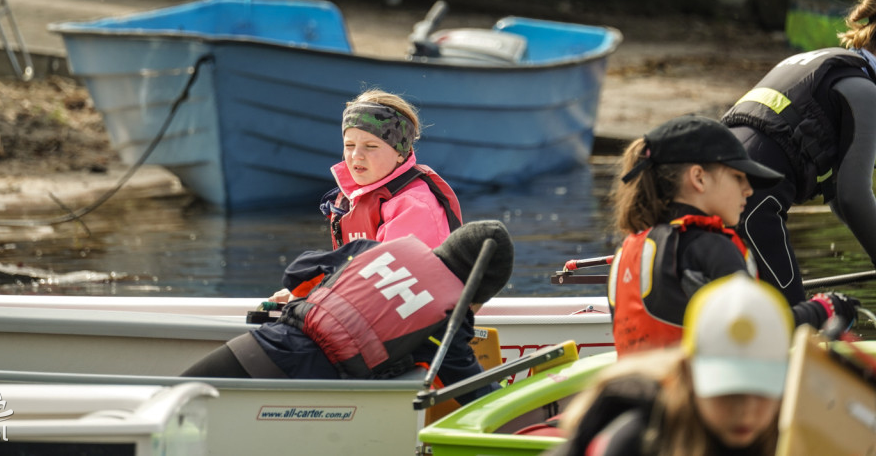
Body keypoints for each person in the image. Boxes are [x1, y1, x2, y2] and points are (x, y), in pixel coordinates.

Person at [180, 220, 513, 405]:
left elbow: (297, 272)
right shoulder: (447, 322)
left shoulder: (375, 250)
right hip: (302, 394)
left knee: (158, 414)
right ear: (479, 292)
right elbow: (478, 395)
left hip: (254, 349)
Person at [607, 114, 857, 356]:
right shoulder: (712, 247)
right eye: (738, 177)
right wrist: (824, 309)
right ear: (699, 178)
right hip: (699, 397)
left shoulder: (625, 253)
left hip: (638, 390)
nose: (748, 190)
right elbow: (758, 333)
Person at [721, 0, 876, 305]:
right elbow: (853, 194)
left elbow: (838, 196)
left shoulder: (824, 63)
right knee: (791, 317)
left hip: (705, 189)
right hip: (750, 204)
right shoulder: (863, 90)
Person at [549, 273, 794, 456]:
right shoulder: (634, 441)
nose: (745, 410)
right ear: (688, 374)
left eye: (762, 391)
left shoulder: (803, 430)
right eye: (728, 392)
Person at [320, 88, 462, 250]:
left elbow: (402, 270)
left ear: (400, 153)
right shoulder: (353, 197)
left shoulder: (413, 208)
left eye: (371, 146)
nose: (356, 155)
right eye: (349, 145)